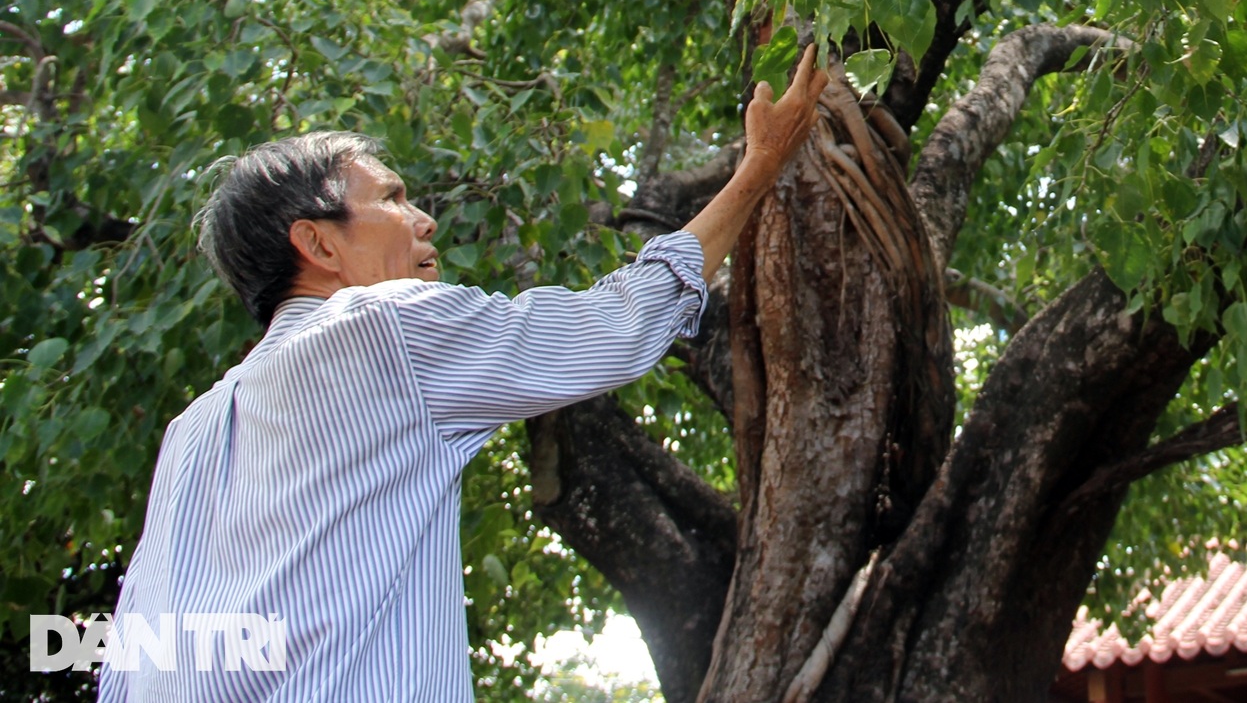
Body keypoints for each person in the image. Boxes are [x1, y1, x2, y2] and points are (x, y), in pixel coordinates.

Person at [95, 46, 830, 701]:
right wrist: (758, 168)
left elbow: (130, 656)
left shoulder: (189, 433)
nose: (424, 220)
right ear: (316, 241)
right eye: (389, 198)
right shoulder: (381, 326)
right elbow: (616, 325)